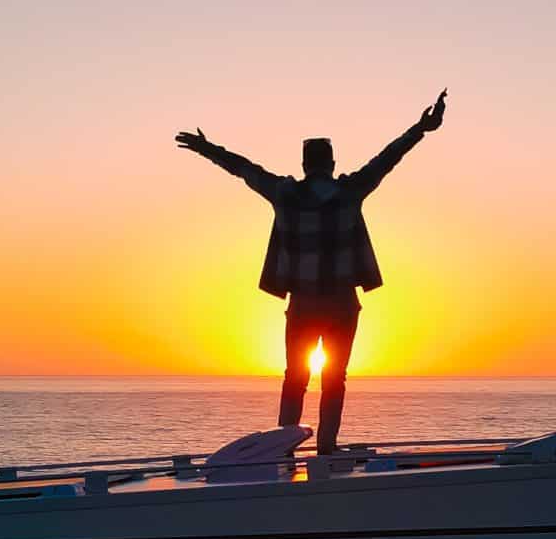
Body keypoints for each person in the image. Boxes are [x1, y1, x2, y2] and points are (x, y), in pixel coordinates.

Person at [176, 91, 448, 451]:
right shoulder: (350, 190)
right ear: (332, 163)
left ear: (305, 165)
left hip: (303, 304)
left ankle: (281, 447)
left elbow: (243, 169)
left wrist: (204, 148)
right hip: (341, 304)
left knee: (295, 378)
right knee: (335, 379)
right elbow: (388, 158)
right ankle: (326, 447)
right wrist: (421, 128)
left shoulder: (285, 194)